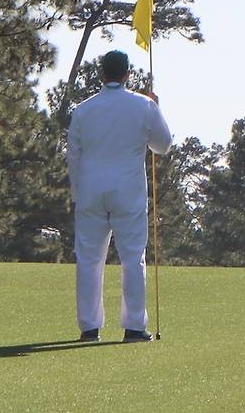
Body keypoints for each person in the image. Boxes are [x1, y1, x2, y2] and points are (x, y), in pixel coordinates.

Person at [66, 50, 172, 343]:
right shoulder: (143, 105)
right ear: (128, 74)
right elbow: (163, 145)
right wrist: (157, 107)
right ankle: (135, 327)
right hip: (128, 191)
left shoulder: (83, 109)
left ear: (102, 74)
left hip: (90, 191)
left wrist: (77, 192)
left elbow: (73, 155)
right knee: (132, 258)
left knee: (88, 260)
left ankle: (89, 328)